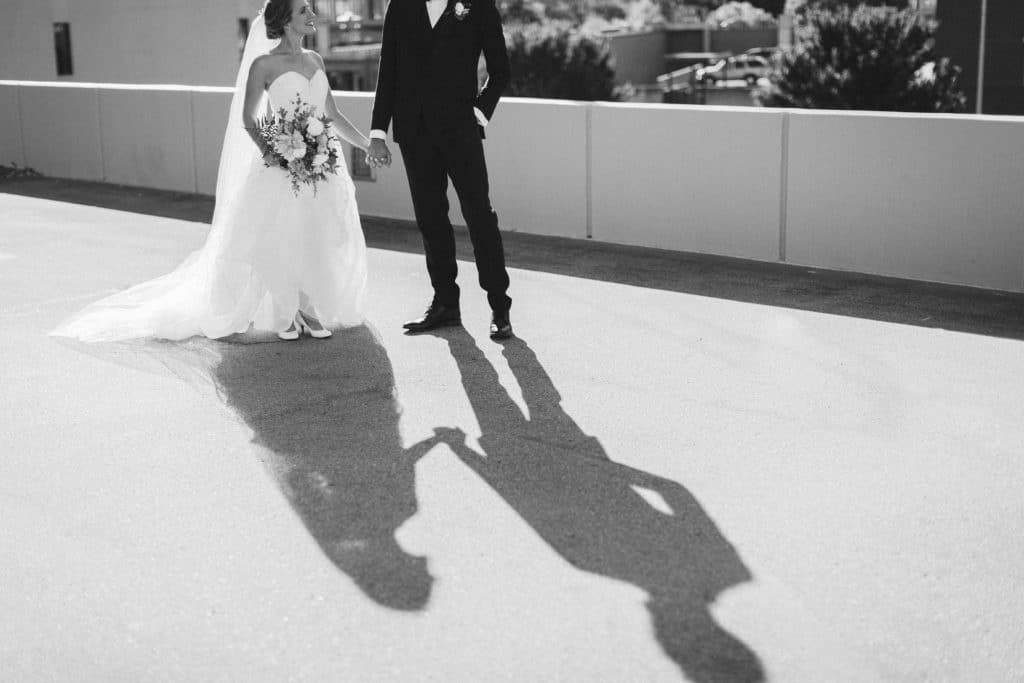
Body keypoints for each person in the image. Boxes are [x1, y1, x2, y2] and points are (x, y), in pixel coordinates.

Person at [51, 0, 369, 343]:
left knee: (315, 235)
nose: (312, 15)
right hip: (282, 163)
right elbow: (248, 119)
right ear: (285, 20)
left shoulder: (316, 60)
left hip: (322, 163)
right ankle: (286, 309)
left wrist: (368, 145)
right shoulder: (264, 64)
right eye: (303, 10)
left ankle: (307, 308)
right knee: (281, 236)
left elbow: (331, 114)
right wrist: (274, 153)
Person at [366, 0, 514, 339]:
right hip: (414, 131)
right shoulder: (400, 5)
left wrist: (478, 113)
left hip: (461, 129)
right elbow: (388, 67)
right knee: (430, 218)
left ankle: (499, 306)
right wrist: (378, 132)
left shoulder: (478, 5)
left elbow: (500, 69)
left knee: (479, 214)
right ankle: (446, 303)